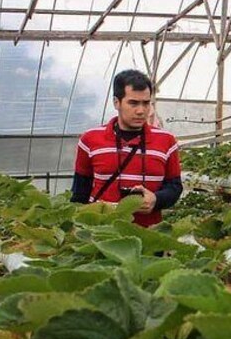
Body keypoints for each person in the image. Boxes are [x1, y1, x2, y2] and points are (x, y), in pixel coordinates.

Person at [70, 69, 183, 227]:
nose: (141, 111)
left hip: (149, 235)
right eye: (133, 103)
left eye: (146, 103)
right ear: (117, 102)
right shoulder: (90, 139)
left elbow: (174, 187)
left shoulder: (166, 141)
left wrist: (156, 199)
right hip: (100, 233)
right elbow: (80, 193)